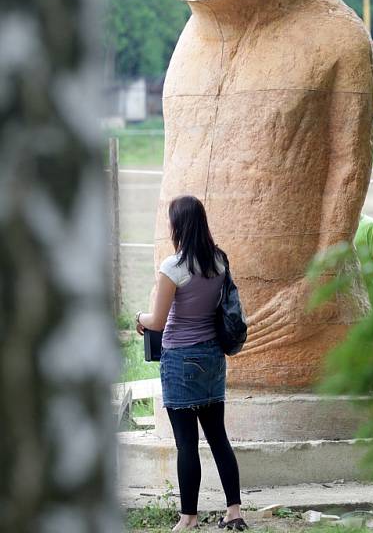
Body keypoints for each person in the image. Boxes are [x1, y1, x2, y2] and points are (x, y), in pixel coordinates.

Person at [136, 196, 247, 532]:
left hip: (181, 361)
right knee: (218, 438)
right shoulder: (218, 261)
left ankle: (189, 518)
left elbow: (157, 320)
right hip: (213, 357)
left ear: (178, 226)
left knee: (187, 443)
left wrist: (137, 318)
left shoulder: (173, 267)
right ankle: (234, 511)